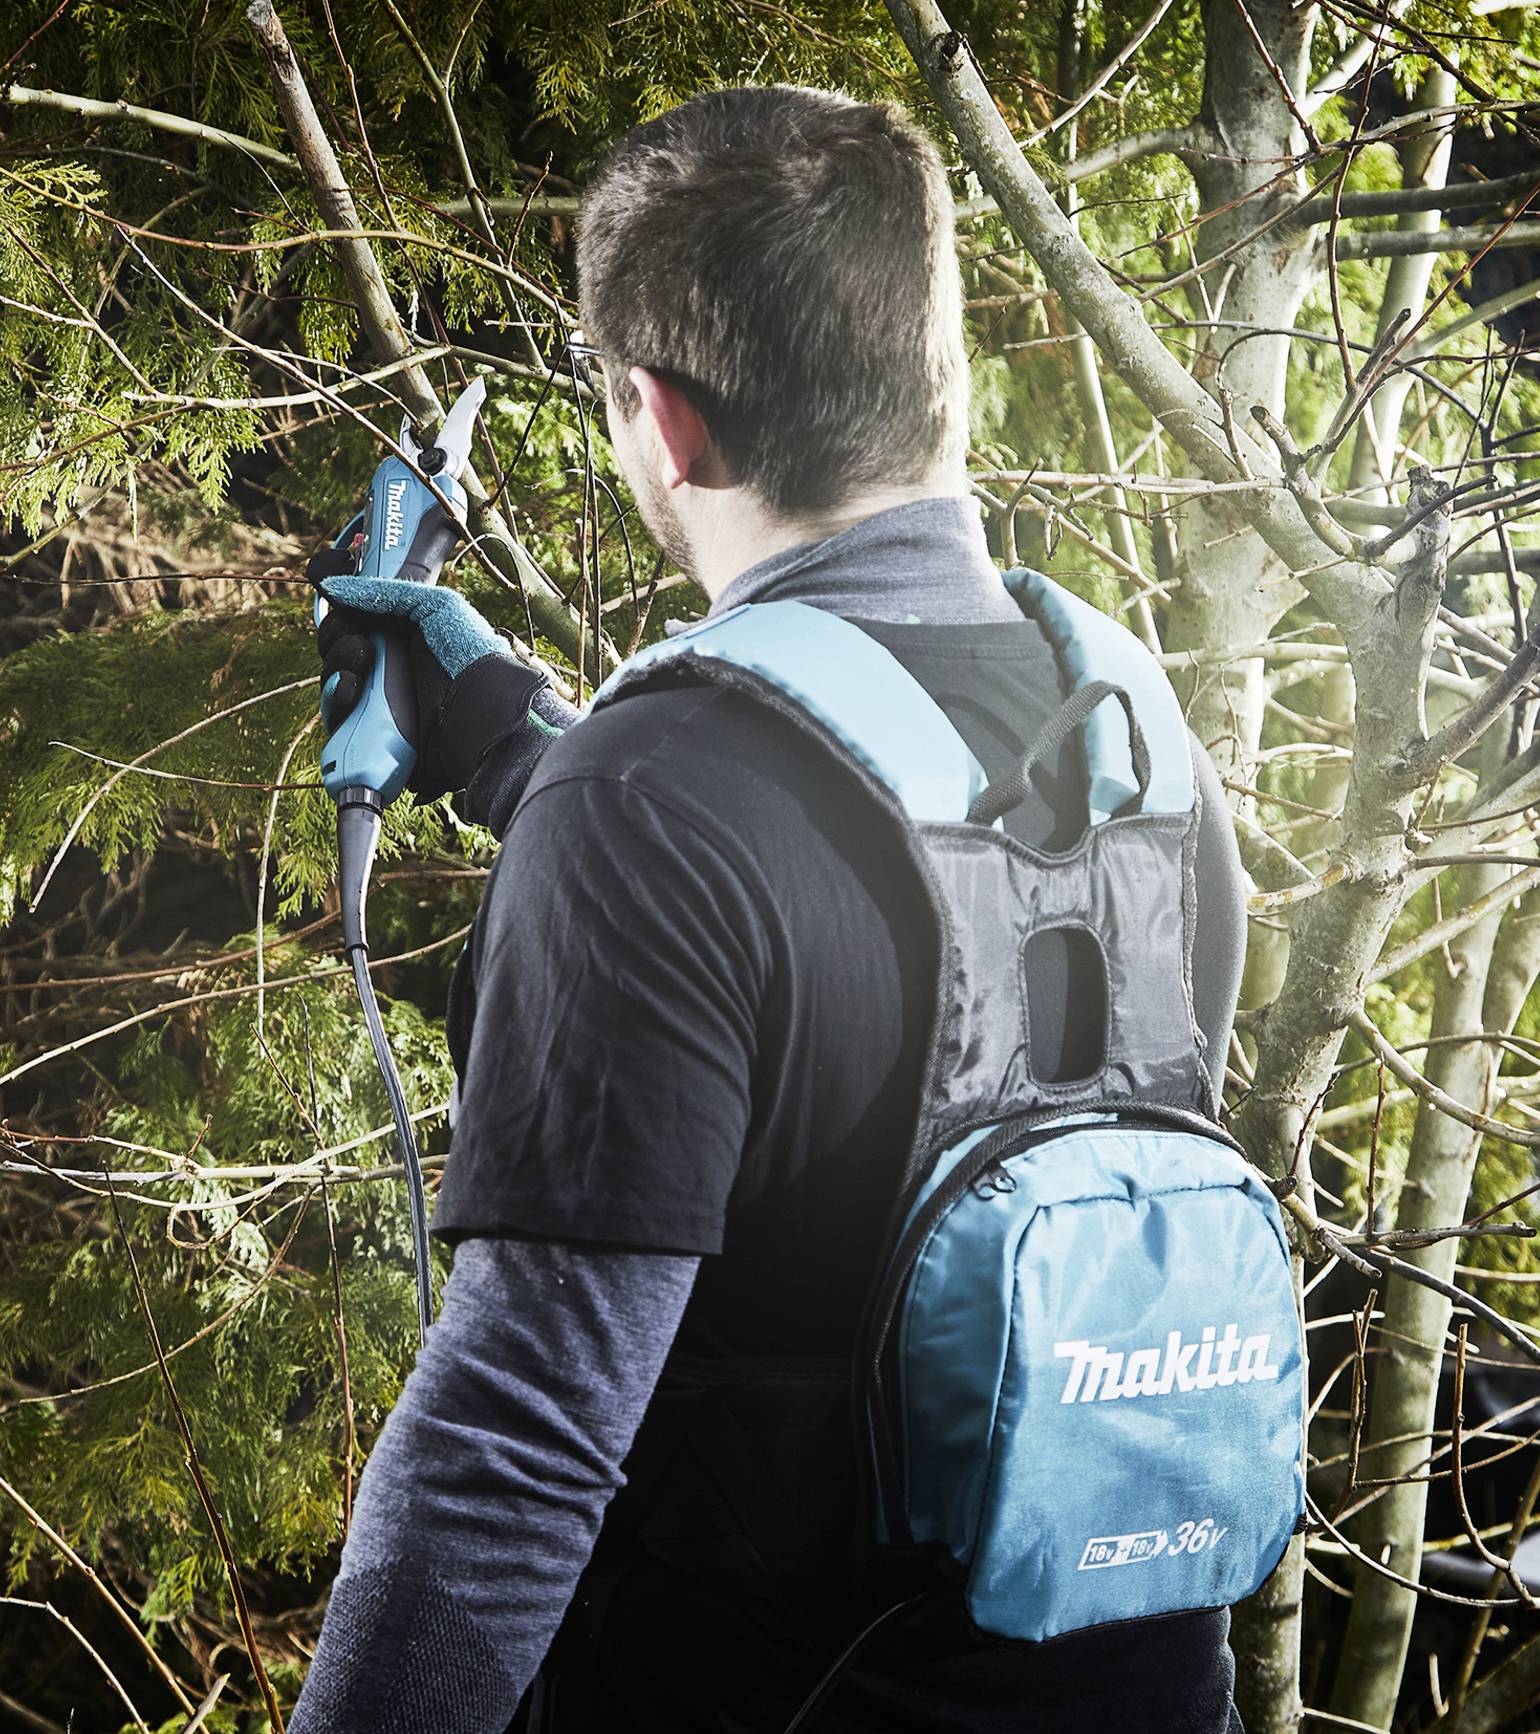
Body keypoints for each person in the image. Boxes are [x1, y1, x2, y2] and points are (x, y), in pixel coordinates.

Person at [291, 85, 1249, 1734]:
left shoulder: (654, 805)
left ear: (664, 424)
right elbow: (910, 984)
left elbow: (511, 1450)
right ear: (936, 369)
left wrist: (596, 796)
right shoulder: (1136, 742)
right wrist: (534, 753)